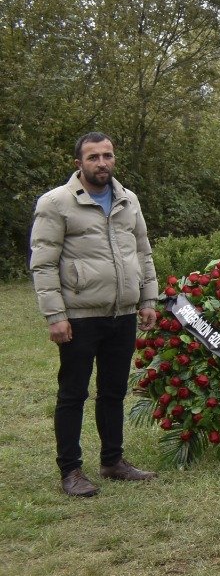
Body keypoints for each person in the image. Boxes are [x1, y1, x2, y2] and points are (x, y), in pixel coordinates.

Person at [29, 132, 160, 497]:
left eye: (107, 156)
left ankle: (112, 461)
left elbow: (143, 252)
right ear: (79, 163)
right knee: (73, 393)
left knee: (114, 391)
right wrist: (55, 314)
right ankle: (70, 471)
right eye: (93, 157)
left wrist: (148, 299)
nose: (102, 163)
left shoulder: (127, 200)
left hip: (122, 312)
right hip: (80, 315)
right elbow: (43, 263)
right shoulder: (56, 203)